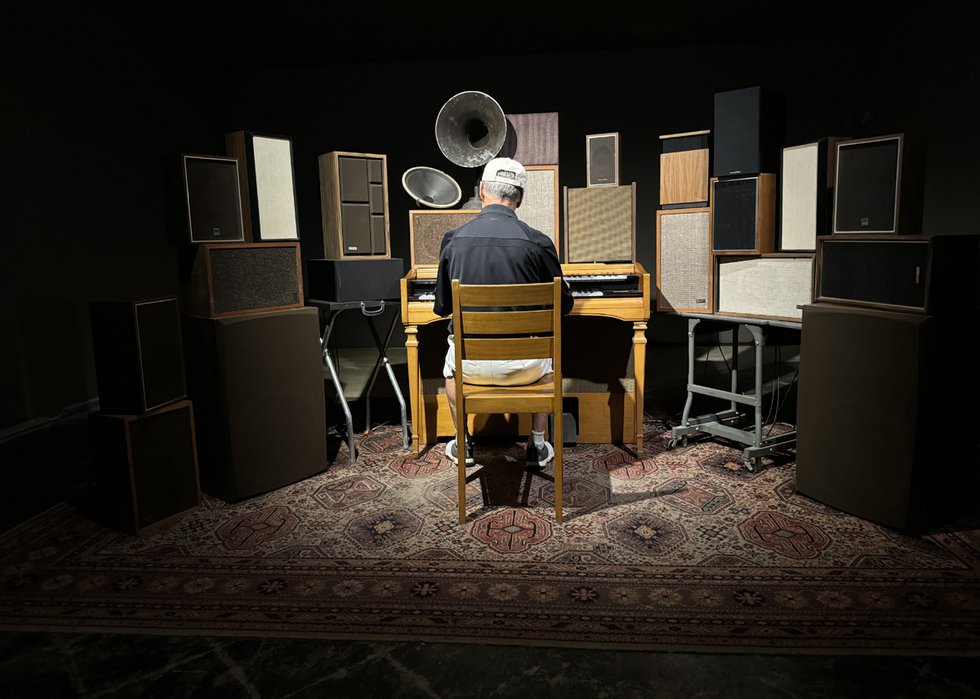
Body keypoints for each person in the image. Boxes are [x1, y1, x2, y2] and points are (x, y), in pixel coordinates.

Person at [432, 157, 574, 468]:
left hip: (470, 368)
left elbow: (442, 308)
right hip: (526, 368)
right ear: (519, 198)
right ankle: (537, 444)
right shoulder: (538, 242)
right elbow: (563, 306)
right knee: (550, 357)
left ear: (482, 190)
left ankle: (463, 443)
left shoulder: (453, 241)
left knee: (449, 368)